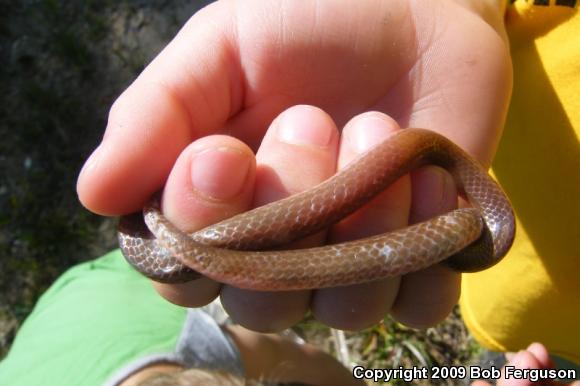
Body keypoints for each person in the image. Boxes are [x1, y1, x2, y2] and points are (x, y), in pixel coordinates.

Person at [74, 0, 580, 380]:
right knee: (539, 356)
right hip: (528, 299)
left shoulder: (470, 222)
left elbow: (476, 227)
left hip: (527, 285)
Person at [0, 250, 362, 386]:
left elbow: (318, 367)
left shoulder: (197, 344)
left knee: (243, 303)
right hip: (62, 305)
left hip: (142, 277)